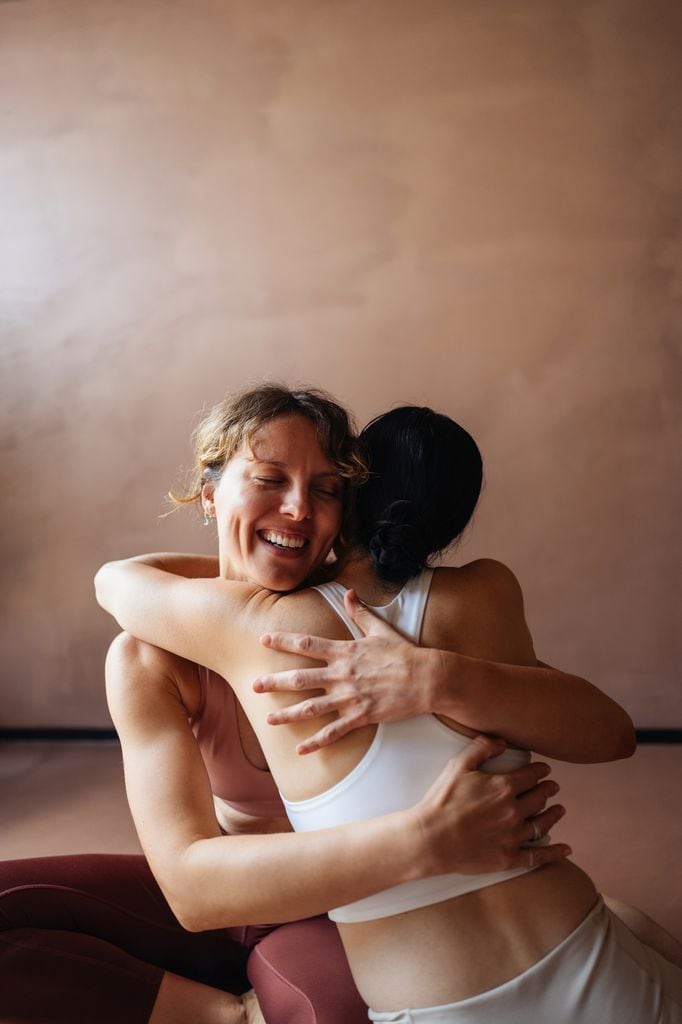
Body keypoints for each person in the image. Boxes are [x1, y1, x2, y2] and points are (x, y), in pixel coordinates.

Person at [2, 385, 578, 1024]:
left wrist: (439, 679)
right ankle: (218, 1012)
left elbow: (590, 721)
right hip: (224, 887)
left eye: (327, 489)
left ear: (350, 511)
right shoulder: (148, 655)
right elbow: (192, 888)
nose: (300, 508)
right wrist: (426, 840)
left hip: (341, 906)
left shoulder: (378, 627)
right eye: (270, 479)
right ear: (210, 491)